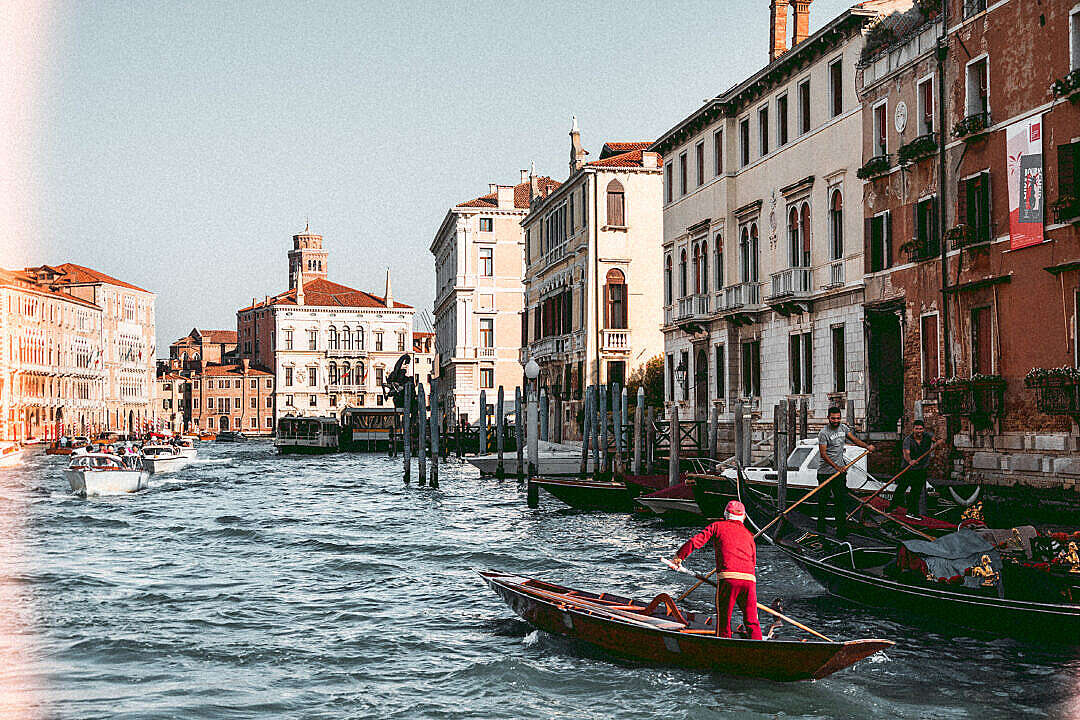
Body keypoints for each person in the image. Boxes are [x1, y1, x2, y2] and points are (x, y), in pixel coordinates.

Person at [671, 500, 761, 640]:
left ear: (725, 515)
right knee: (752, 621)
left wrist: (678, 557)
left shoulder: (717, 526)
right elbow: (753, 560)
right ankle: (758, 647)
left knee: (724, 620)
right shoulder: (749, 535)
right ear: (743, 517)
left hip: (729, 578)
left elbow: (696, 541)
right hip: (749, 580)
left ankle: (724, 648)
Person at [817, 406, 874, 538]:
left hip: (839, 473)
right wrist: (837, 468)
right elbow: (823, 454)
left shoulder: (843, 428)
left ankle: (841, 530)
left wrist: (867, 446)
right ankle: (821, 526)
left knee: (840, 501)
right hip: (825, 473)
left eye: (838, 418)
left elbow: (854, 440)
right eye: (833, 418)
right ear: (828, 418)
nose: (836, 420)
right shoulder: (823, 433)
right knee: (823, 501)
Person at [889, 419, 939, 518]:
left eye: (920, 429)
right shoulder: (908, 440)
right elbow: (906, 453)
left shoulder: (927, 437)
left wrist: (938, 441)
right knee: (901, 489)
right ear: (913, 429)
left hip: (921, 469)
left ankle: (911, 512)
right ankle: (892, 507)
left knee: (916, 492)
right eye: (917, 429)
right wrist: (910, 461)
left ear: (923, 429)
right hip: (908, 469)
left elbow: (936, 439)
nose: (919, 431)